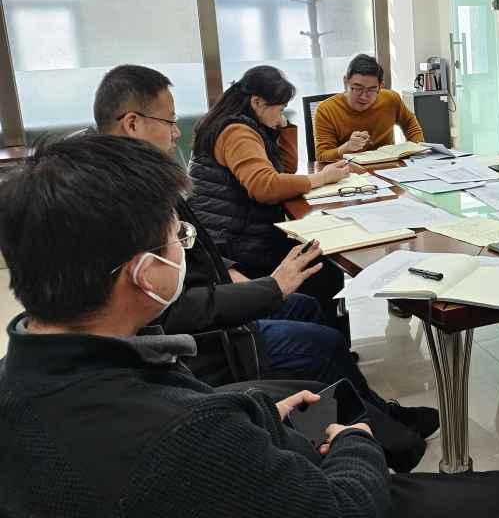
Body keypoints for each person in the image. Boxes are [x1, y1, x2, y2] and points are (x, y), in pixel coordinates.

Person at [0, 135, 499, 518]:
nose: (184, 250)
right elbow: (343, 508)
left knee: (314, 392)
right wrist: (356, 447)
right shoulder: (188, 436)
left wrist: (257, 413)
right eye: (179, 240)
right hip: (317, 489)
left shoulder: (24, 380)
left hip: (239, 456)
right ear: (145, 275)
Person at [93, 65, 439, 472]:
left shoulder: (139, 178)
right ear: (132, 123)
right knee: (321, 333)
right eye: (169, 121)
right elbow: (173, 306)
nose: (175, 134)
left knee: (310, 306)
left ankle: (373, 411)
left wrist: (230, 270)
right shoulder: (126, 197)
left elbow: (196, 247)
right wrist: (269, 288)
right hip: (205, 338)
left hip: (220, 280)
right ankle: (386, 438)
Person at [188, 65, 348, 311]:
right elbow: (265, 186)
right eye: (280, 108)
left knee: (320, 261)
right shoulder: (237, 132)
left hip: (236, 234)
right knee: (323, 269)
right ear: (257, 102)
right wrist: (322, 178)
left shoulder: (239, 124)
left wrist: (283, 126)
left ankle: (325, 329)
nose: (281, 114)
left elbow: (284, 169)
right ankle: (325, 333)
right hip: (234, 243)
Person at [314, 54, 425, 162]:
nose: (364, 96)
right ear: (345, 82)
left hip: (388, 166)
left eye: (371, 90)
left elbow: (410, 123)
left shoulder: (391, 99)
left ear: (380, 86)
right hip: (348, 170)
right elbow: (322, 155)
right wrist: (346, 147)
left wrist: (417, 150)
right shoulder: (326, 110)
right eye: (357, 88)